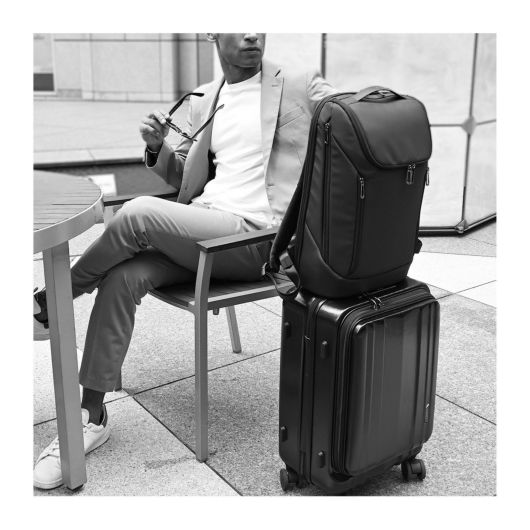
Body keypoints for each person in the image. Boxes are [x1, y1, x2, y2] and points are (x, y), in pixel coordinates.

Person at [33, 33, 335, 489]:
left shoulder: (297, 82)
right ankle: (90, 415)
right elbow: (185, 176)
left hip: (258, 239)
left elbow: (356, 116)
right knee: (122, 276)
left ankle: (53, 300)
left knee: (137, 213)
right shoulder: (206, 98)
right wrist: (158, 148)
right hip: (206, 227)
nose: (252, 33)